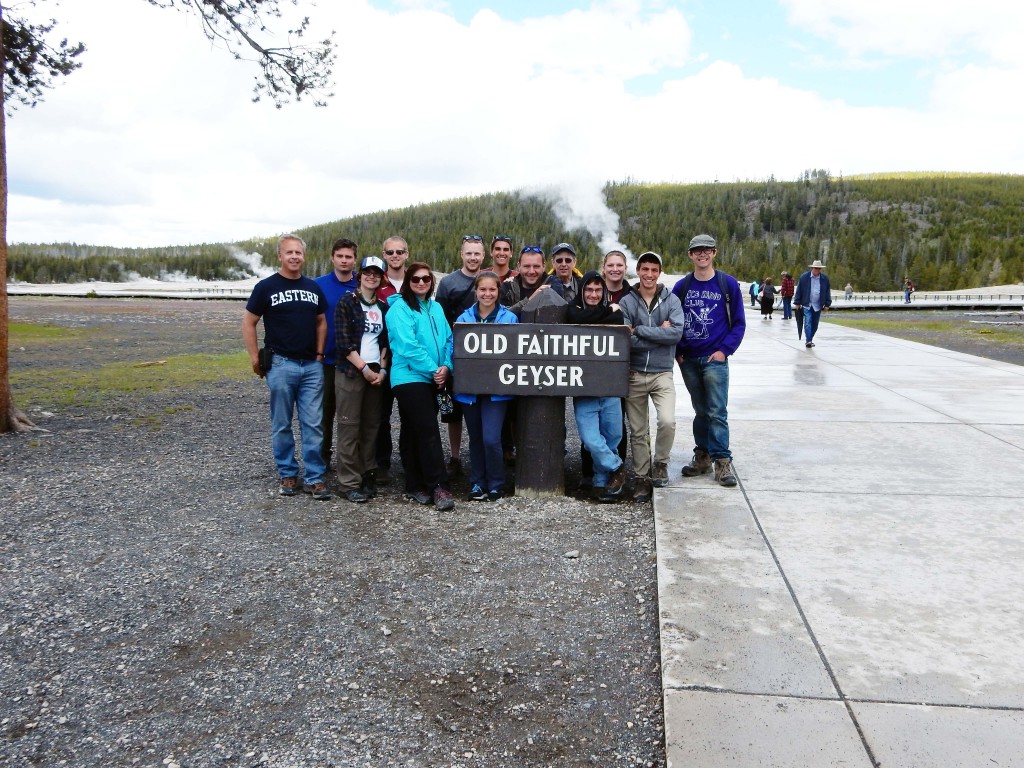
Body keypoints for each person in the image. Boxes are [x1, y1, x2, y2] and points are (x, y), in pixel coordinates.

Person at [242, 234, 330, 500]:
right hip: (280, 363)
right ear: (279, 256)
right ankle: (288, 473)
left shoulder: (312, 287)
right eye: (289, 252)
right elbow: (249, 322)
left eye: (298, 253)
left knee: (313, 423)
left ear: (304, 256)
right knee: (281, 423)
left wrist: (318, 354)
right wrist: (255, 358)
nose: (294, 257)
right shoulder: (265, 287)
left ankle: (314, 477)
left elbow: (321, 322)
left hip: (311, 366)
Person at [672, 234, 746, 489]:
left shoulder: (728, 285)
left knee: (716, 410)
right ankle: (702, 456)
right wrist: (677, 351)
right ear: (690, 255)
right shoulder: (682, 287)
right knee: (700, 411)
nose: (702, 255)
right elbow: (672, 321)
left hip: (715, 358)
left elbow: (738, 323)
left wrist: (725, 351)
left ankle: (722, 460)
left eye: (707, 250)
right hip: (689, 359)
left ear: (714, 253)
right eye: (697, 251)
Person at [385, 263, 455, 511]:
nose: (422, 282)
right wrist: (434, 369)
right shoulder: (399, 309)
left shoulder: (436, 308)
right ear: (408, 281)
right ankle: (438, 484)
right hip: (409, 377)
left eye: (426, 278)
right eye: (416, 279)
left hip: (434, 376)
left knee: (413, 429)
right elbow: (406, 345)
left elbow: (448, 339)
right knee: (427, 429)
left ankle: (414, 483)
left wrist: (446, 366)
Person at [618, 251, 685, 503]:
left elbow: (676, 334)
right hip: (634, 373)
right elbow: (626, 340)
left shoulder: (672, 300)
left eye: (653, 270)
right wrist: (659, 333)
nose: (648, 274)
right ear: (638, 270)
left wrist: (642, 331)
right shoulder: (627, 301)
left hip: (662, 373)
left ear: (659, 272)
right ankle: (642, 477)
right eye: (644, 269)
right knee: (638, 430)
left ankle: (661, 464)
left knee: (667, 421)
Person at [451, 272, 518, 502]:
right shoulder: (464, 318)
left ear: (498, 292)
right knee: (476, 438)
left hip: (497, 391)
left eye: (492, 290)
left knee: (491, 438)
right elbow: (454, 350)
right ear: (476, 291)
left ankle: (496, 483)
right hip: (469, 390)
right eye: (483, 290)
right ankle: (477, 483)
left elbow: (516, 352)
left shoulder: (509, 319)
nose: (487, 294)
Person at [567, 270, 628, 503]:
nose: (593, 294)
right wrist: (608, 312)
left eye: (597, 290)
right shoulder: (574, 310)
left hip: (610, 386)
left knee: (612, 436)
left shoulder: (613, 313)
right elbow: (576, 318)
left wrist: (608, 315)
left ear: (603, 292)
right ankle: (617, 467)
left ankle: (602, 483)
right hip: (584, 389)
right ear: (582, 291)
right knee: (591, 438)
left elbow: (617, 321)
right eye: (588, 290)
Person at [334, 256, 389, 504]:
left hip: (376, 372)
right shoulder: (347, 302)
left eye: (376, 273)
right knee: (349, 426)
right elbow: (344, 342)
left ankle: (368, 473)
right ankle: (348, 482)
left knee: (371, 426)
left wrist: (383, 370)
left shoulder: (383, 308)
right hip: (351, 371)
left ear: (382, 277)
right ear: (360, 275)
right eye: (367, 272)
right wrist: (363, 368)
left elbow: (386, 343)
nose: (371, 277)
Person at [435, 235, 486, 476]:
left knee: (482, 405)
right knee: (453, 409)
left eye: (477, 253)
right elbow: (440, 320)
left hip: (484, 355)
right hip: (454, 352)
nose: (473, 257)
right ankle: (455, 457)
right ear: (461, 254)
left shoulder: (489, 280)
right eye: (469, 253)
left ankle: (482, 454)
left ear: (483, 256)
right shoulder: (447, 283)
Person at [314, 238, 359, 467]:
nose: (344, 260)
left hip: (352, 360)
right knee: (322, 414)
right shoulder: (318, 285)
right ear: (332, 257)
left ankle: (349, 461)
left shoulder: (361, 285)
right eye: (340, 256)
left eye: (348, 256)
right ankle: (321, 459)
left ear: (354, 260)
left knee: (350, 416)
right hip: (323, 359)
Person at [374, 235, 409, 484]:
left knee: (410, 415)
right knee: (381, 415)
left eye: (399, 252)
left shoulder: (417, 281)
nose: (395, 256)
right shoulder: (376, 283)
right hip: (381, 358)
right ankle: (382, 463)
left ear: (407, 254)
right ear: (384, 255)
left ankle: (410, 462)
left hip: (409, 361)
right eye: (390, 252)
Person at [793, 259, 832, 348]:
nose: (817, 270)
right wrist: (797, 302)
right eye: (815, 268)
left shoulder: (824, 279)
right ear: (812, 268)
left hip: (818, 305)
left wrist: (827, 304)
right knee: (808, 322)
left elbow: (827, 292)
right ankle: (808, 341)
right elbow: (799, 290)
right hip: (807, 304)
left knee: (815, 324)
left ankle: (810, 338)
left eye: (818, 269)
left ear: (820, 269)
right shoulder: (804, 277)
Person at [501, 245, 547, 316]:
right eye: (527, 266)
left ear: (544, 267)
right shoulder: (508, 288)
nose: (531, 271)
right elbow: (502, 317)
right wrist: (529, 300)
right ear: (519, 266)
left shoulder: (552, 283)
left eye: (536, 266)